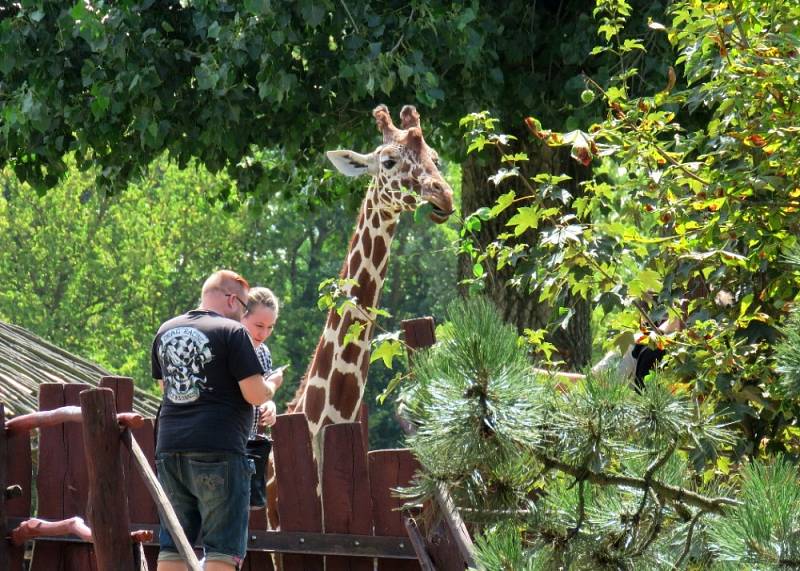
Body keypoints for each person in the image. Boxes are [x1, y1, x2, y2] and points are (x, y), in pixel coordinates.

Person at [151, 270, 282, 571]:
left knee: (173, 545)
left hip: (169, 450)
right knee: (223, 548)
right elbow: (254, 394)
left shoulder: (166, 329)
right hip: (219, 451)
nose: (244, 313)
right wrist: (273, 384)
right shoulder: (232, 332)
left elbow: (166, 389)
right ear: (232, 299)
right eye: (245, 306)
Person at [240, 287, 284, 509]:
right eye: (259, 326)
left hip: (251, 448)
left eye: (270, 327)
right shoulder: (232, 346)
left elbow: (262, 393)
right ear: (242, 316)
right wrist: (272, 386)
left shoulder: (264, 352)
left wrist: (270, 404)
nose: (264, 333)